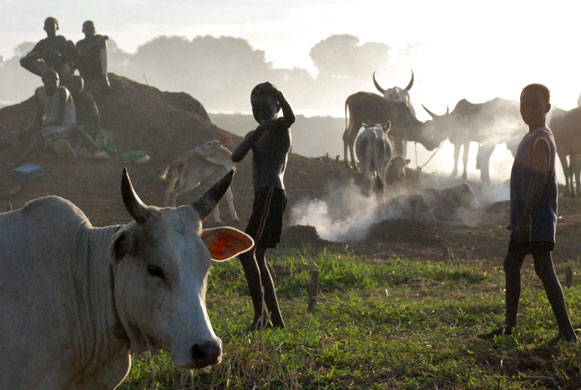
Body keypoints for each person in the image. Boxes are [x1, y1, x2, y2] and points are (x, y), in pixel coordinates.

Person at [479, 84, 577, 342]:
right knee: (512, 264)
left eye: (535, 105)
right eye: (524, 105)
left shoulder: (542, 138)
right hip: (527, 218)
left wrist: (523, 220)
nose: (529, 110)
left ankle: (567, 333)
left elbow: (539, 181)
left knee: (544, 270)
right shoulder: (532, 136)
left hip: (535, 219)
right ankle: (510, 326)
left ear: (547, 107)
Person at [231, 82, 295, 329]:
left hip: (272, 192)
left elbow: (291, 117)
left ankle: (261, 318)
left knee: (247, 251)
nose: (260, 113)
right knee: (256, 254)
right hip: (265, 196)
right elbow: (235, 156)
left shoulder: (280, 127)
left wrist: (280, 95)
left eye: (265, 107)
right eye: (255, 108)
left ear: (276, 105)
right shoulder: (257, 133)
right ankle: (274, 319)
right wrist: (258, 130)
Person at [13, 69, 77, 167]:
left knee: (43, 134)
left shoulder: (62, 91)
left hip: (66, 125)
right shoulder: (39, 92)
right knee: (21, 134)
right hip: (50, 124)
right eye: (51, 79)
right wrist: (28, 129)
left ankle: (19, 161)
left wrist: (41, 127)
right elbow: (38, 117)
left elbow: (59, 120)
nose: (56, 82)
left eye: (57, 79)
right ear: (43, 80)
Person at [20, 17, 76, 83]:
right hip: (48, 69)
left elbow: (69, 55)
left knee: (70, 45)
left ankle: (64, 75)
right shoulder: (42, 43)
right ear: (45, 28)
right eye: (48, 26)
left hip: (63, 68)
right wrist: (43, 54)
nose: (50, 28)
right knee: (24, 61)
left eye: (51, 25)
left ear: (57, 27)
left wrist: (58, 55)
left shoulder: (61, 39)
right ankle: (46, 76)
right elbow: (27, 58)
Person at [68, 75, 109, 159]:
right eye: (75, 84)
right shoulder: (68, 98)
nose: (78, 86)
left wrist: (83, 124)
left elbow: (94, 116)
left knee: (78, 130)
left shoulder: (87, 98)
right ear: (71, 85)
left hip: (88, 125)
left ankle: (97, 150)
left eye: (80, 84)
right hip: (73, 125)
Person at [76, 20, 111, 90]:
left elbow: (104, 58)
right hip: (86, 71)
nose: (89, 31)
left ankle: (104, 76)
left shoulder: (99, 39)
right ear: (83, 30)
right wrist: (94, 44)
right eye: (87, 29)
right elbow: (80, 52)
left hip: (97, 70)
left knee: (102, 43)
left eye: (91, 28)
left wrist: (104, 76)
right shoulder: (80, 43)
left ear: (95, 30)